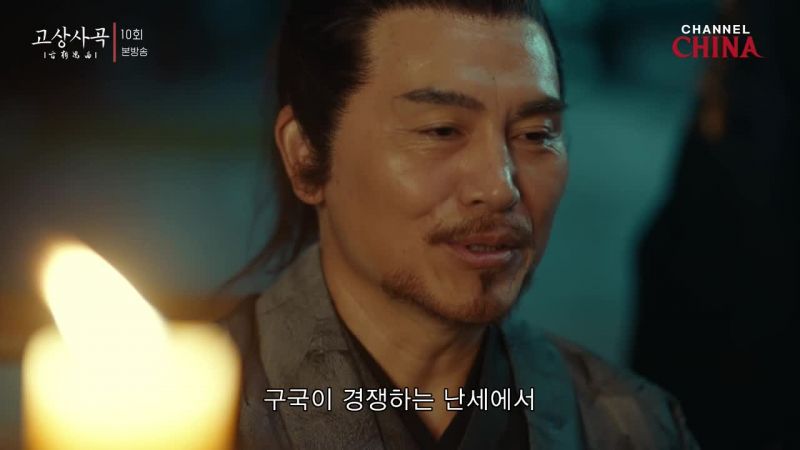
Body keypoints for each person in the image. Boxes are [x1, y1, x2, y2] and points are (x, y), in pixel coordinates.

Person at [220, 0, 699, 448]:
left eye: (536, 135)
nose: (500, 188)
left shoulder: (630, 427)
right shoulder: (196, 411)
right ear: (305, 155)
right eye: (441, 130)